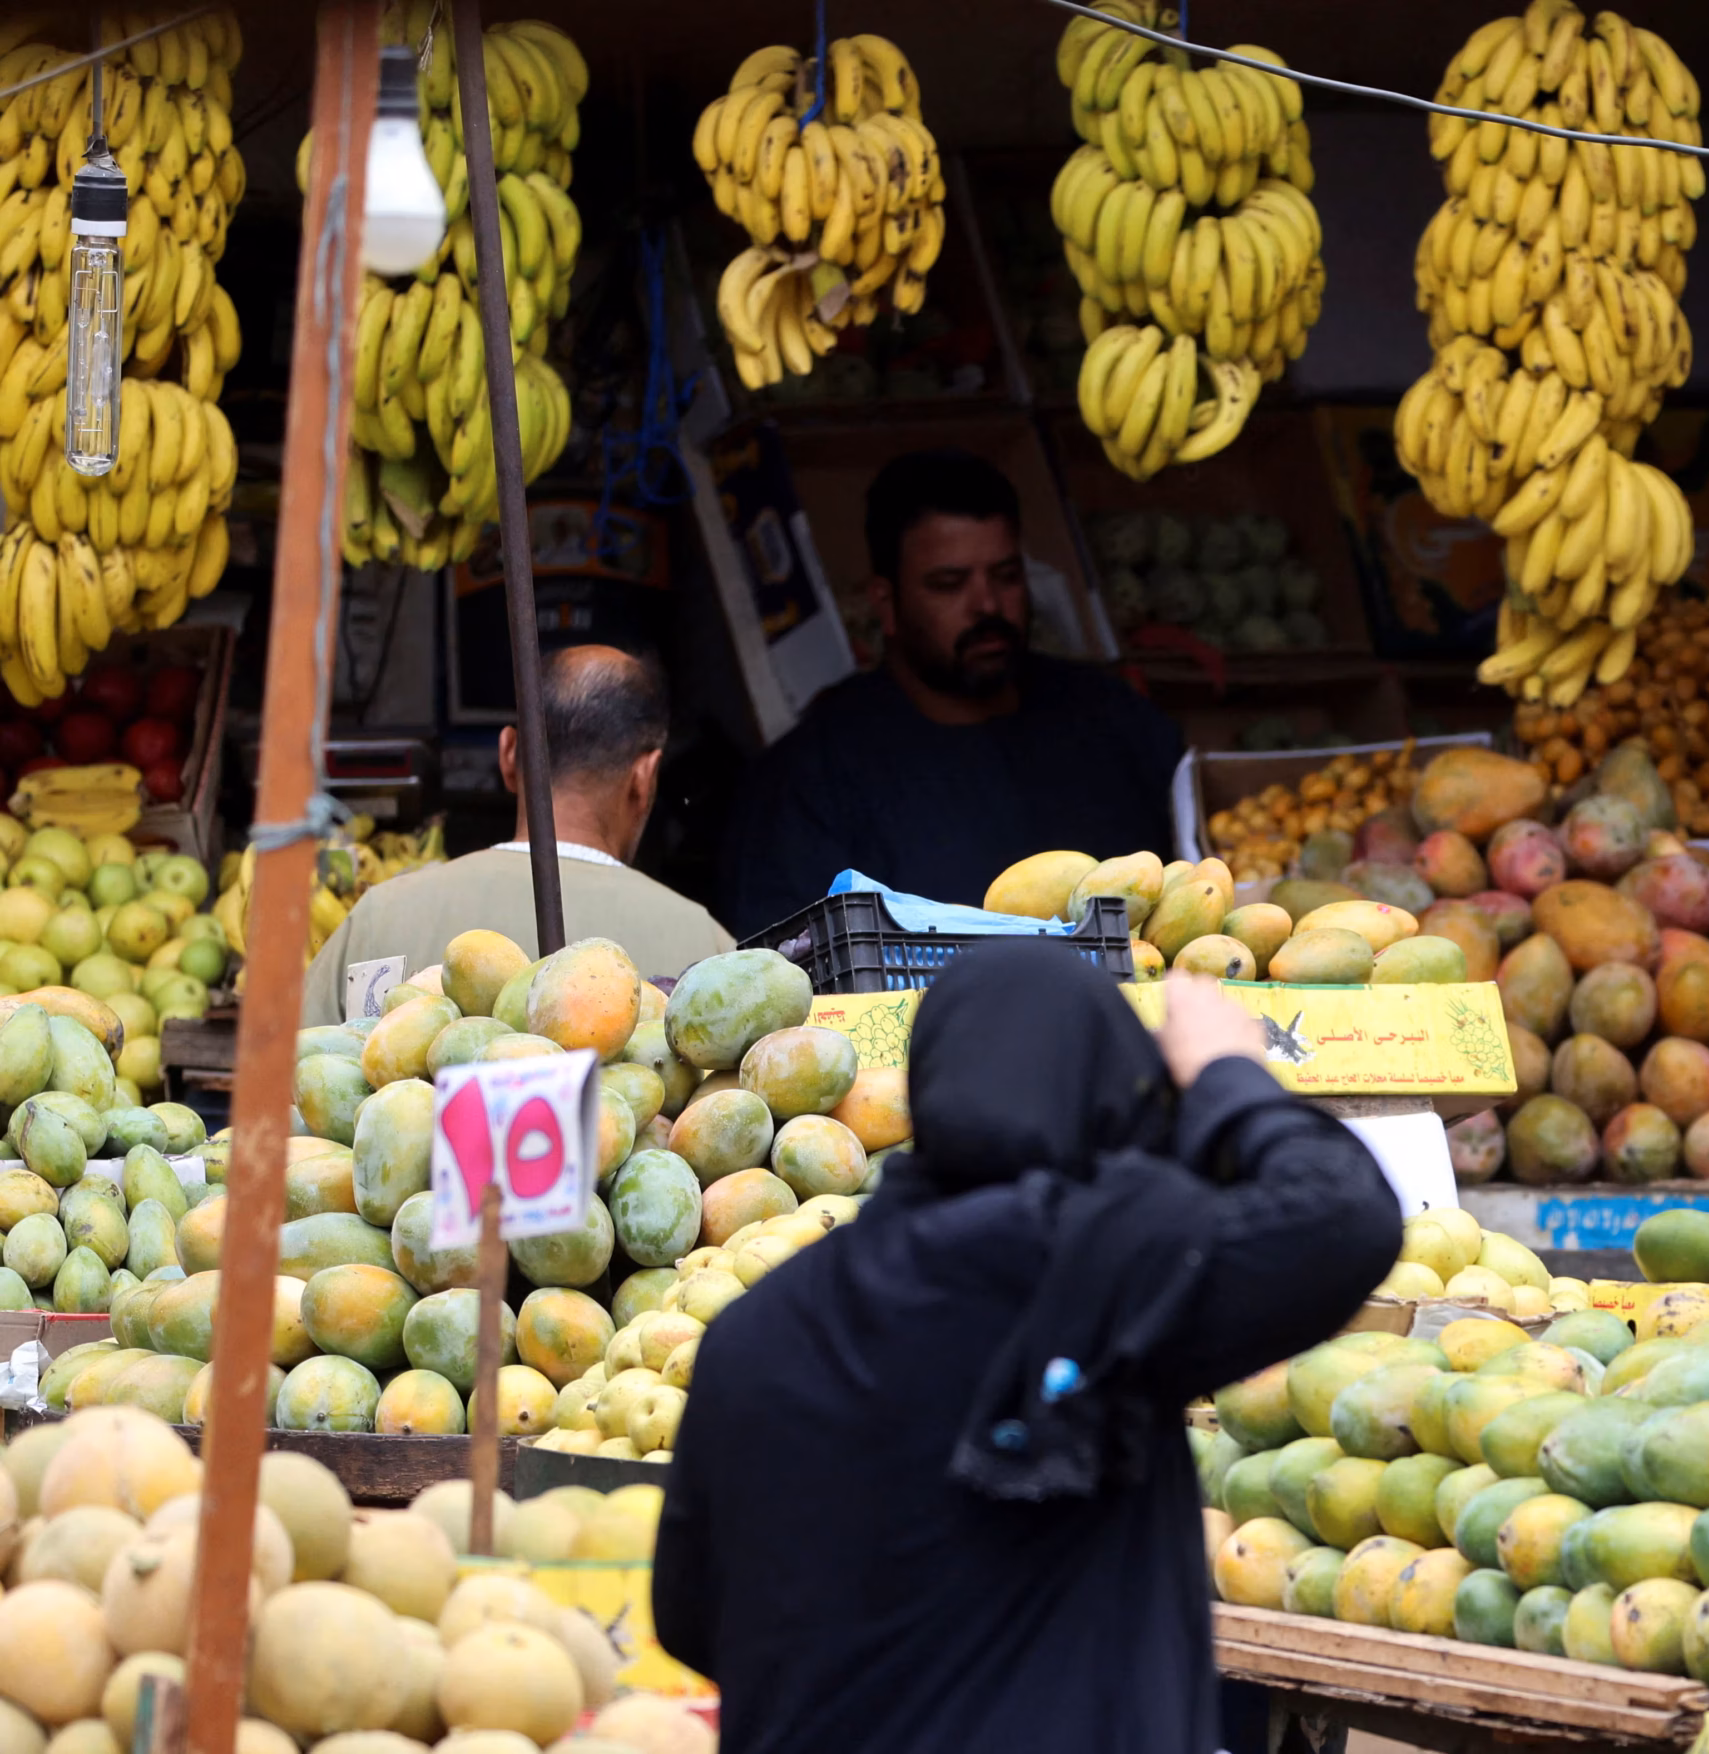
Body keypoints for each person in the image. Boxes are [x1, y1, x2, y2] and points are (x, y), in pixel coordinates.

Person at [652, 946, 1401, 1754]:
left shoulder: (754, 1331)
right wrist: (1228, 1076)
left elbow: (690, 1617)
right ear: (1113, 1095)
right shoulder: (1103, 1274)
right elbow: (1344, 1217)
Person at [721, 448, 1185, 932]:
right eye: (949, 584)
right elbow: (786, 963)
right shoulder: (811, 781)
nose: (986, 605)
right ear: (886, 603)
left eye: (1005, 576)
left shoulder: (1115, 722)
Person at [303, 646, 732, 1022]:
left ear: (509, 753)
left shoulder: (380, 917)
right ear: (646, 775)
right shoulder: (709, 948)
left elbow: (287, 1082)